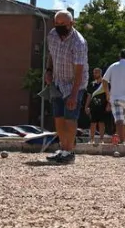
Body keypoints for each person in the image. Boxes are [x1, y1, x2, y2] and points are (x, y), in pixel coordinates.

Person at [44, 9, 89, 164]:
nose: (59, 26)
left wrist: (74, 95)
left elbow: (79, 71)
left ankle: (69, 152)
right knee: (58, 117)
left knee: (70, 117)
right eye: (56, 23)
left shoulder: (79, 42)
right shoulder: (52, 35)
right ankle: (63, 149)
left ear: (71, 23)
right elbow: (51, 54)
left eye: (62, 23)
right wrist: (49, 70)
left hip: (74, 83)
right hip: (57, 81)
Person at [84, 67, 109, 144]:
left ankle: (101, 140)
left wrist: (108, 104)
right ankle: (92, 139)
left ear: (100, 73)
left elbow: (108, 95)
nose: (95, 74)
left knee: (101, 123)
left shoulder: (105, 84)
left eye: (96, 72)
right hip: (93, 106)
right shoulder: (91, 84)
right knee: (93, 123)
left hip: (102, 106)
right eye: (94, 72)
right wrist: (86, 106)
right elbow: (89, 96)